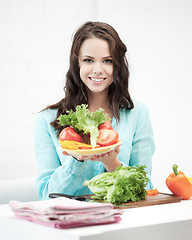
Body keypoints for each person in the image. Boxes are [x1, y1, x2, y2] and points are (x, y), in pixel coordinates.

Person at [34, 21, 155, 200]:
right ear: (77, 64)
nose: (98, 70)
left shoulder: (138, 113)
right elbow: (46, 196)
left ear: (118, 65)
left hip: (123, 223)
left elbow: (145, 191)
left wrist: (113, 163)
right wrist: (76, 161)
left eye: (108, 61)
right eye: (88, 60)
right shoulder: (47, 119)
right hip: (70, 224)